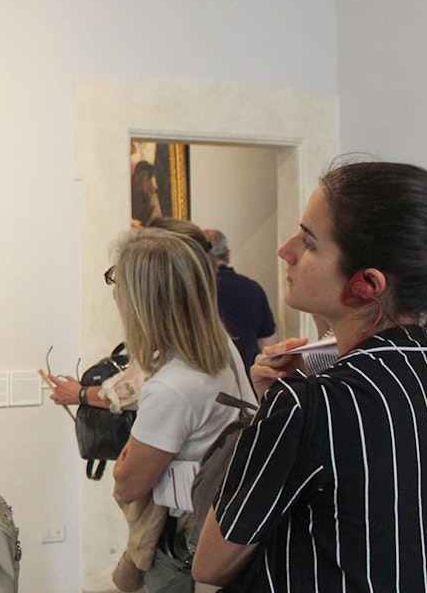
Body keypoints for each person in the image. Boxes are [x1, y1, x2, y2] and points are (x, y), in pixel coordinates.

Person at [193, 161, 427, 592]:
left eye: (308, 243)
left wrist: (274, 414)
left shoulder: (314, 404)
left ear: (367, 284)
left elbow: (210, 565)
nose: (285, 250)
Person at [106, 227, 254, 593]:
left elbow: (128, 483)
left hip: (183, 545)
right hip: (216, 524)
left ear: (142, 299)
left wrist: (127, 460)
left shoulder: (171, 386)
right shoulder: (218, 353)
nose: (113, 291)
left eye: (116, 280)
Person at [48, 217, 212, 412]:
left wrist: (81, 394)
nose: (117, 292)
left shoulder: (174, 370)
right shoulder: (197, 335)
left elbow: (136, 390)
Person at [204, 228, 278, 375]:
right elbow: (269, 347)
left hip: (204, 382)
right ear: (228, 255)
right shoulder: (253, 289)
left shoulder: (196, 290)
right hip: (246, 383)